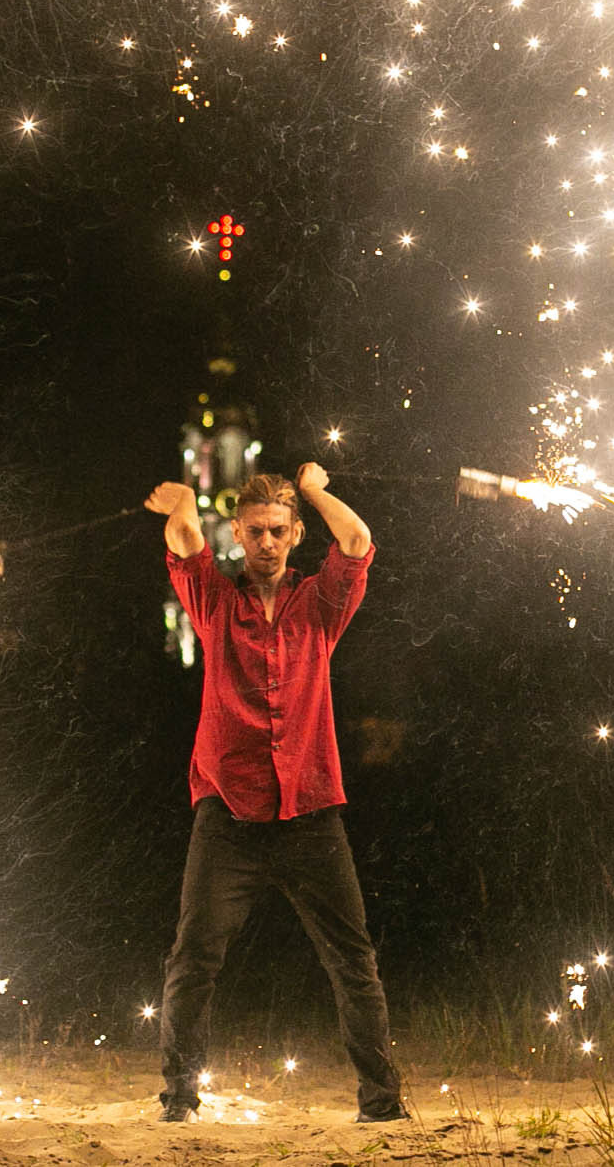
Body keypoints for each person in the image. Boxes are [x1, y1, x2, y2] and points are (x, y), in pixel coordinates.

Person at [140, 464, 410, 1125]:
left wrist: (313, 491)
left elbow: (357, 541)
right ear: (237, 533)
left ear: (294, 536)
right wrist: (183, 503)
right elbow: (184, 544)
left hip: (309, 810)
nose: (266, 542)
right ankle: (179, 1100)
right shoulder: (215, 602)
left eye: (278, 532)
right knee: (193, 959)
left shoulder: (319, 603)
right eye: (255, 530)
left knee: (353, 961)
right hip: (228, 812)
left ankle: (382, 1104)